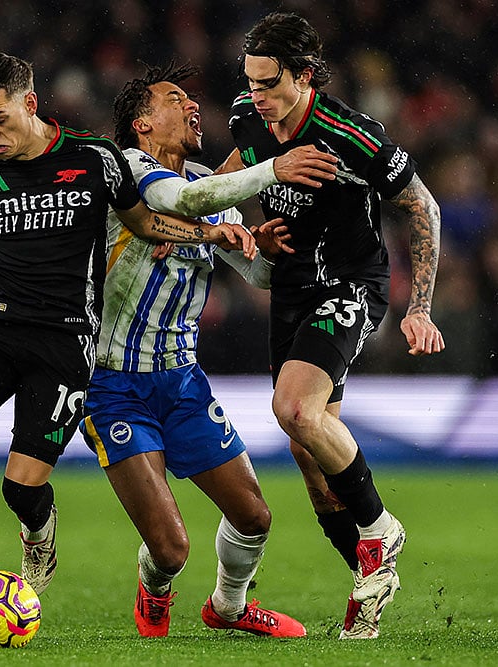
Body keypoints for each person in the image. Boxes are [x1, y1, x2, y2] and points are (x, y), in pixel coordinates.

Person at [0, 52, 256, 636]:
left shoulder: (94, 159)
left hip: (64, 345)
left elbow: (143, 222)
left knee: (19, 487)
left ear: (29, 104)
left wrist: (209, 232)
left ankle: (38, 527)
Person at [79, 62, 340, 639]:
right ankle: (155, 586)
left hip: (182, 382)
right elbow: (186, 199)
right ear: (142, 123)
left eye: (192, 99)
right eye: (176, 100)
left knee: (254, 516)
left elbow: (257, 274)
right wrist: (273, 168)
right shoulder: (126, 171)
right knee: (171, 549)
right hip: (113, 384)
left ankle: (228, 606)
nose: (193, 106)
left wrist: (262, 248)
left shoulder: (207, 187)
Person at [223, 12, 445, 639]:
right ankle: (370, 579)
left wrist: (419, 307)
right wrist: (234, 227)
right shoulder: (248, 119)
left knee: (294, 409)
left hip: (349, 286)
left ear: (304, 76)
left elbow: (422, 206)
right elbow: (226, 182)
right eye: (250, 82)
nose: (256, 96)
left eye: (269, 83)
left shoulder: (351, 134)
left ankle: (380, 528)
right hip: (291, 290)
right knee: (312, 463)